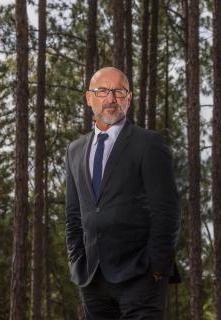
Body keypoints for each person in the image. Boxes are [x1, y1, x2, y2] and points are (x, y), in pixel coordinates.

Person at [65, 67, 181, 319]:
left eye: (118, 92)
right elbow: (74, 216)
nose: (110, 99)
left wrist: (157, 268)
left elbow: (168, 212)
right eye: (102, 91)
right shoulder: (74, 150)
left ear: (128, 99)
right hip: (93, 279)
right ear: (88, 98)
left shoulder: (148, 144)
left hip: (141, 276)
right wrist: (77, 262)